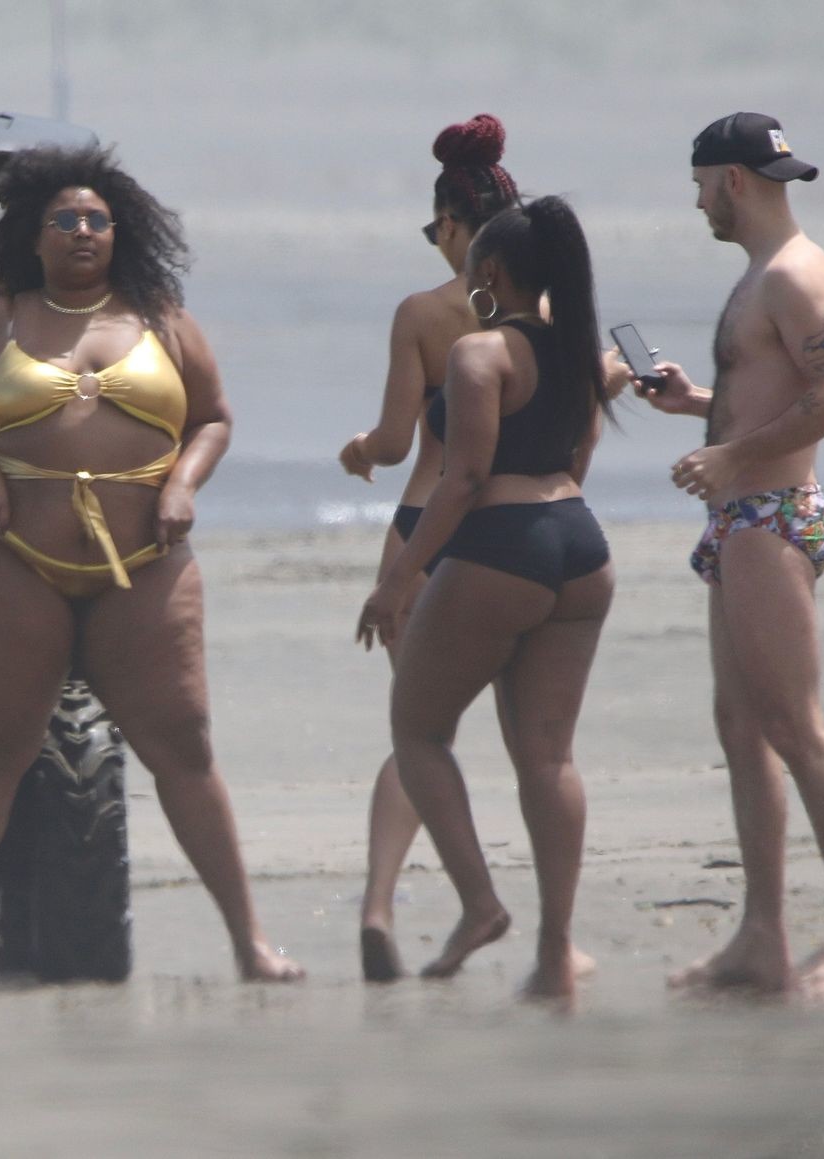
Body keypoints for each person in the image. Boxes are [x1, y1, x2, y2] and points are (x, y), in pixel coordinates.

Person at [0, 146, 303, 986]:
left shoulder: (164, 320)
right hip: (12, 559)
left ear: (120, 232)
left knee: (184, 745)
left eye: (96, 220)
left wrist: (182, 484)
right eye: (65, 221)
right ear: (32, 236)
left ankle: (251, 944)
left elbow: (214, 419)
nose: (82, 232)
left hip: (145, 562)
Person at [640, 114, 824, 1000]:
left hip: (771, 518)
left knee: (794, 726)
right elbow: (775, 390)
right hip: (740, 516)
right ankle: (762, 935)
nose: (697, 202)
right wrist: (697, 405)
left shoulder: (792, 275)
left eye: (700, 185)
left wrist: (732, 456)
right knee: (741, 726)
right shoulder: (764, 273)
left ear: (733, 181)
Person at [356, 195, 614, 1003]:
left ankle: (479, 904)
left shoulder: (480, 354)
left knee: (418, 728)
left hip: (502, 547)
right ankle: (556, 953)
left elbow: (463, 478)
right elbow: (579, 451)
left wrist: (397, 580)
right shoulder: (581, 352)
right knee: (549, 758)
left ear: (490, 272)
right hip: (582, 546)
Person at [338, 113, 521, 982]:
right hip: (511, 531)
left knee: (417, 729)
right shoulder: (543, 311)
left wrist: (356, 451)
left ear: (451, 223)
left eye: (433, 228)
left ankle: (379, 906)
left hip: (421, 529)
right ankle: (553, 931)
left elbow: (393, 440)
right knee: (532, 739)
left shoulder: (423, 313)